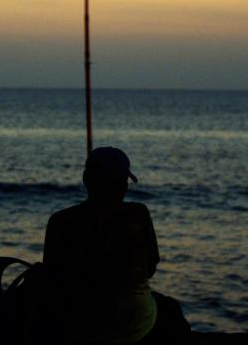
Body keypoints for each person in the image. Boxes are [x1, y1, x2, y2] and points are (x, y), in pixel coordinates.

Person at [42, 147, 189, 344]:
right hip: (136, 323)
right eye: (123, 181)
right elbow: (150, 268)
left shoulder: (60, 221)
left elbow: (51, 278)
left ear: (87, 180)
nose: (125, 187)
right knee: (171, 310)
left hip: (81, 323)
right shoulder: (138, 214)